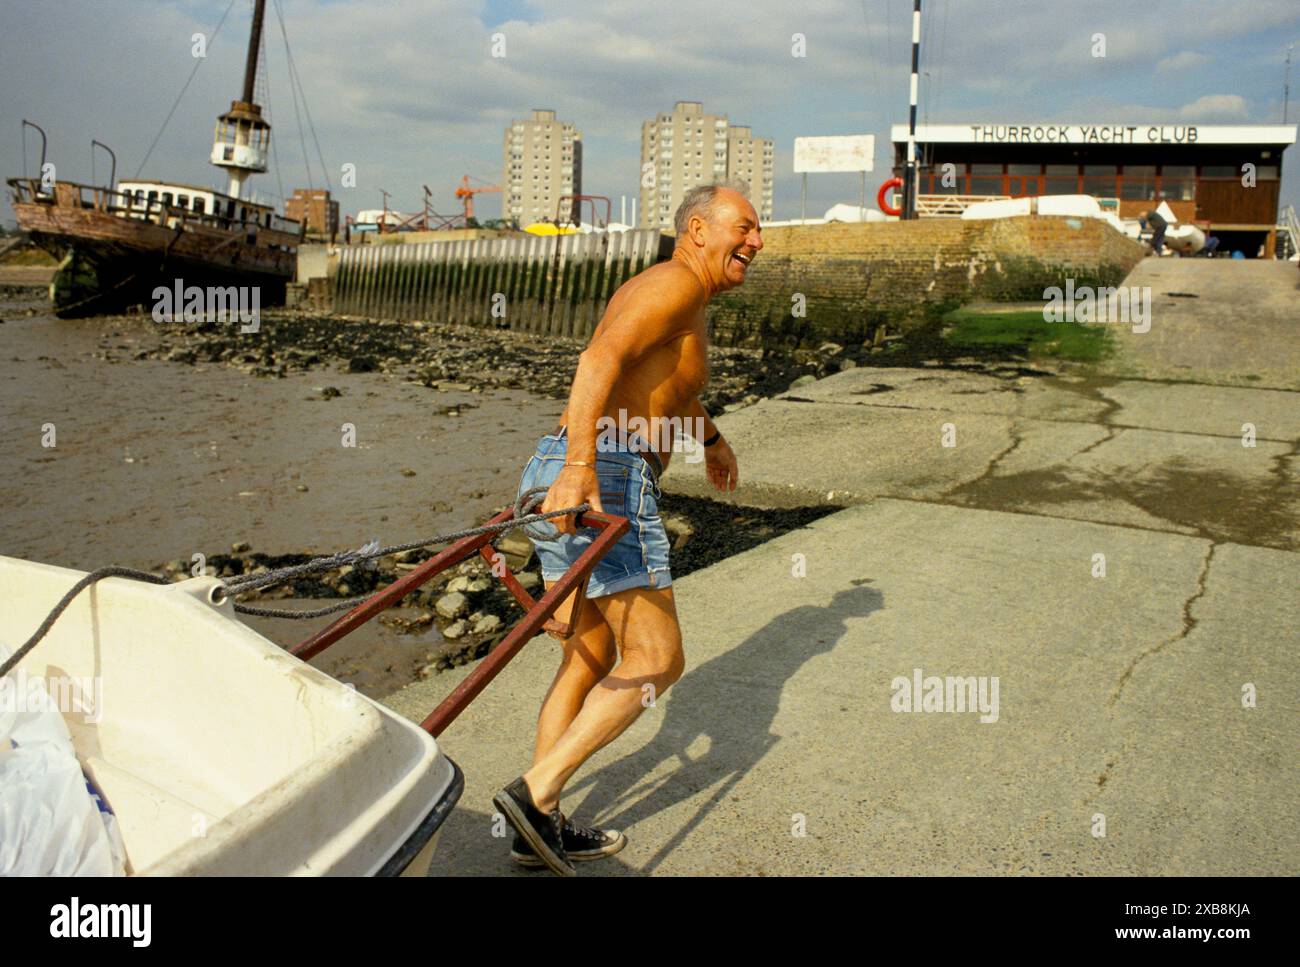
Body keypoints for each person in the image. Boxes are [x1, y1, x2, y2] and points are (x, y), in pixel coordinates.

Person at [494, 182, 760, 875]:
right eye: (747, 228)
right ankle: (535, 793)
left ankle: (536, 828)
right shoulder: (674, 283)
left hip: (566, 463)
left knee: (586, 655)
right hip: (601, 470)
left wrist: (711, 438)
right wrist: (583, 465)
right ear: (697, 230)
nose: (757, 243)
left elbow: (666, 388)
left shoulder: (685, 298)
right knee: (657, 659)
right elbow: (598, 361)